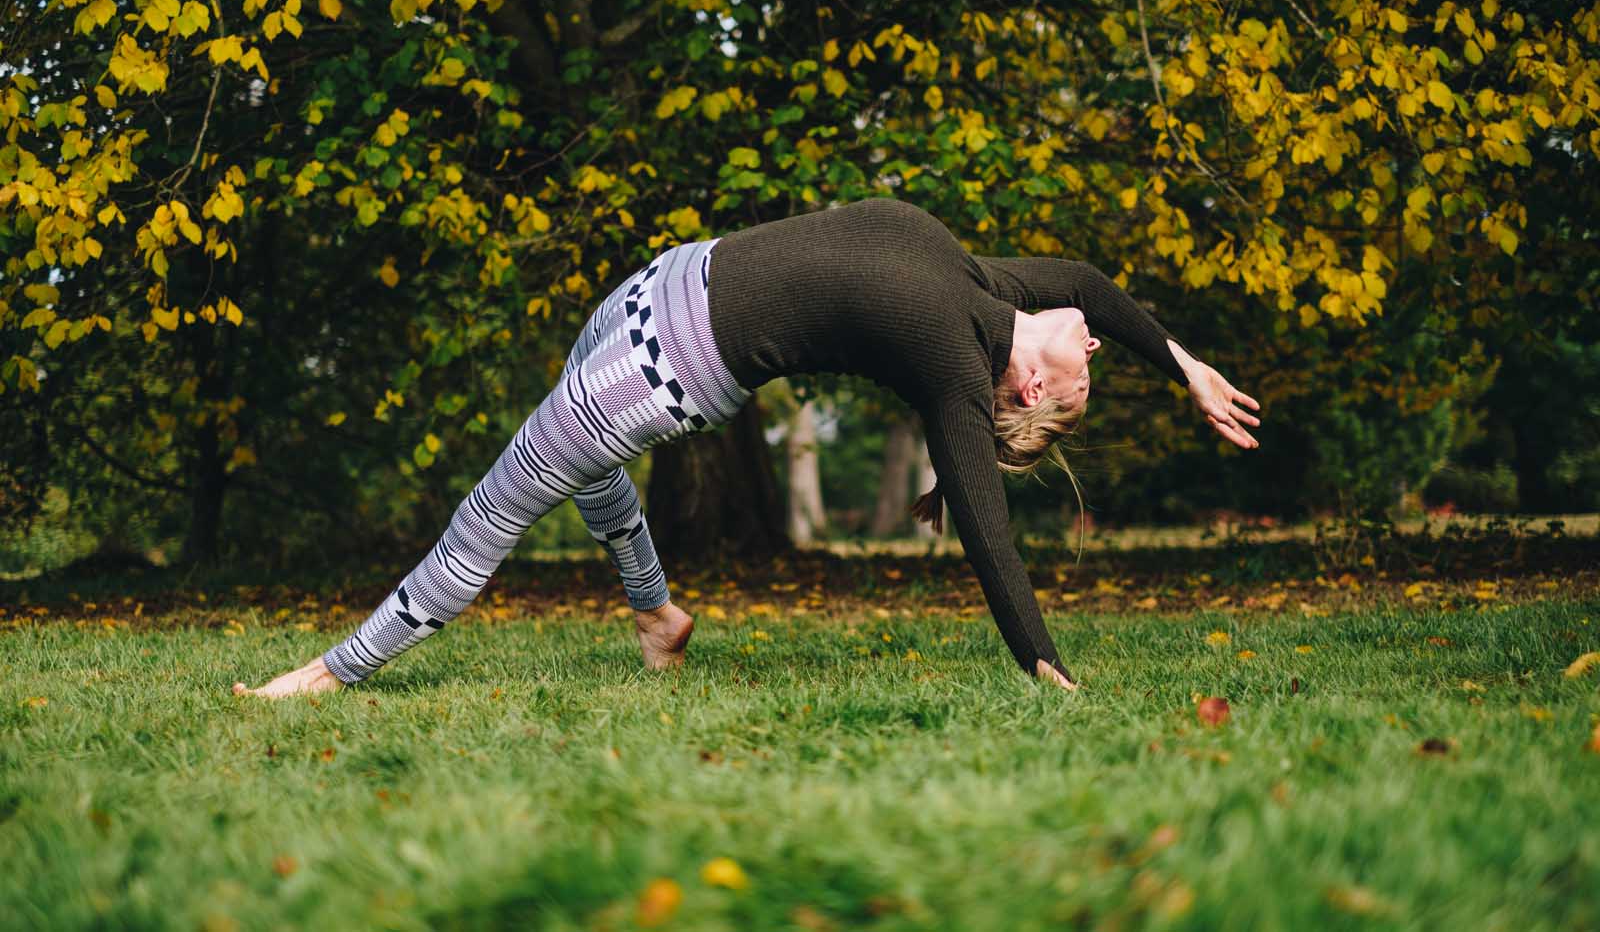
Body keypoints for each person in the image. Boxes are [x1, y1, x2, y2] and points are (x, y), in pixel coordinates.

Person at [234, 197, 1259, 698]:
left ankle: (333, 672)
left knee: (499, 500)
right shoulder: (981, 283)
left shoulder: (953, 360)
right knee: (581, 467)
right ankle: (655, 613)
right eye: (1092, 350)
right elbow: (1084, 273)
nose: (1088, 338)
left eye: (1084, 368)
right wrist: (1184, 364)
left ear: (1030, 386)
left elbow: (989, 537)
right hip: (650, 288)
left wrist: (1045, 666)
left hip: (663, 372)